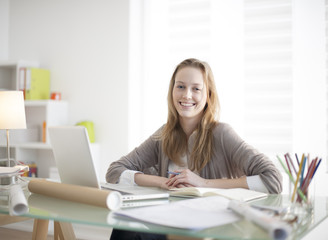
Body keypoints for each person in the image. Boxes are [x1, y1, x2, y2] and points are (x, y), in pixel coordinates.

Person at [106, 58, 282, 240]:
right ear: (172, 90)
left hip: (209, 230)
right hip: (171, 222)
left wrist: (203, 183)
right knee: (123, 225)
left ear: (209, 95)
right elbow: (115, 171)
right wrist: (161, 181)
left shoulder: (222, 134)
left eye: (196, 89)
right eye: (180, 86)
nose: (186, 95)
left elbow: (272, 179)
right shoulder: (163, 135)